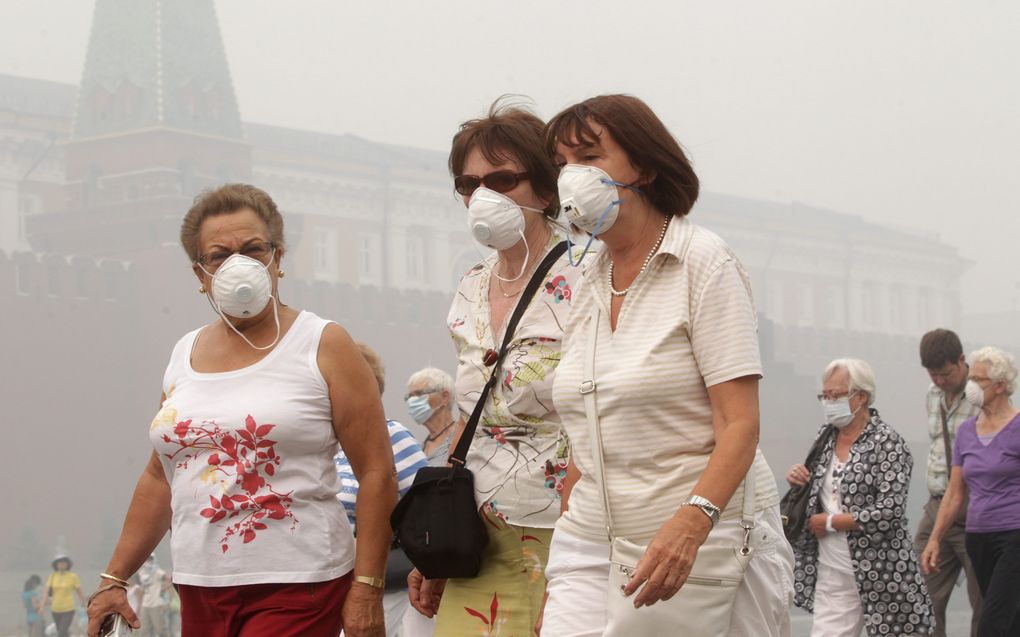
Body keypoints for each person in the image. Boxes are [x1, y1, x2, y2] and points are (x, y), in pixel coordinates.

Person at [85, 183, 397, 637]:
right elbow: (160, 477)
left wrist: (367, 587)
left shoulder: (323, 344)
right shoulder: (183, 354)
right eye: (219, 256)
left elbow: (376, 472)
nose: (239, 265)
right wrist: (114, 578)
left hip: (298, 582)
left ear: (278, 257)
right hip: (199, 585)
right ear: (200, 273)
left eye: (253, 249)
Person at [537, 94, 792, 637]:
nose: (570, 178)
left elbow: (739, 423)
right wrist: (565, 544)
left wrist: (693, 521)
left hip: (696, 533)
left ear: (645, 165)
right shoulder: (585, 279)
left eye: (589, 157)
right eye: (561, 165)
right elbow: (587, 426)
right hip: (589, 536)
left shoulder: (704, 261)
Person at [407, 100, 580, 636]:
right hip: (478, 537)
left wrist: (581, 547)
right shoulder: (471, 286)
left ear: (546, 188)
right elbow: (469, 417)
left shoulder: (590, 275)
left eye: (502, 179)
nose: (483, 196)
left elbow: (605, 414)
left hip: (565, 534)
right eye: (469, 184)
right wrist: (437, 543)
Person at [787, 359, 934, 636]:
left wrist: (831, 522)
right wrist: (799, 478)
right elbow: (817, 489)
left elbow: (889, 512)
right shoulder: (825, 437)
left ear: (861, 396)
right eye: (825, 395)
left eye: (836, 395)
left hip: (883, 571)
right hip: (832, 569)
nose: (829, 402)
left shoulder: (888, 443)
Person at [334, 343, 432, 637]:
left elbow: (427, 509)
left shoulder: (393, 436)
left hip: (385, 582)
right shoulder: (324, 442)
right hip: (332, 579)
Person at [922, 346, 1020, 636]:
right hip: (978, 536)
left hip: (1014, 534)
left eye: (979, 379)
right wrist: (935, 538)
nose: (971, 386)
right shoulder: (966, 431)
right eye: (971, 379)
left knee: (992, 621)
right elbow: (954, 493)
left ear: (1001, 386)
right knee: (1010, 618)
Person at [914, 328, 983, 636]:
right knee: (919, 597)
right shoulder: (932, 396)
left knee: (986, 603)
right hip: (937, 505)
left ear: (961, 361)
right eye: (932, 374)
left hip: (977, 509)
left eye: (944, 373)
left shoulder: (983, 397)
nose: (939, 381)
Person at [403, 367, 462, 467]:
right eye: (409, 397)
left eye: (418, 394)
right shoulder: (420, 450)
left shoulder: (465, 438)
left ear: (444, 397)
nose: (411, 401)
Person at [40, 555, 85, 637]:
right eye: (60, 563)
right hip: (55, 609)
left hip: (68, 609)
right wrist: (42, 606)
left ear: (68, 564)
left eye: (64, 563)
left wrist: (85, 603)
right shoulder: (52, 576)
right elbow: (47, 592)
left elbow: (79, 591)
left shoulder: (73, 576)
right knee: (62, 632)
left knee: (62, 632)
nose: (62, 565)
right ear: (56, 565)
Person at [137, 555, 170, 637]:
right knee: (144, 631)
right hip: (145, 604)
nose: (148, 560)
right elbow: (141, 587)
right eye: (147, 558)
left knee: (161, 630)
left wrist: (163, 590)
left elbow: (170, 580)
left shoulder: (158, 571)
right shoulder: (141, 572)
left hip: (156, 604)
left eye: (150, 558)